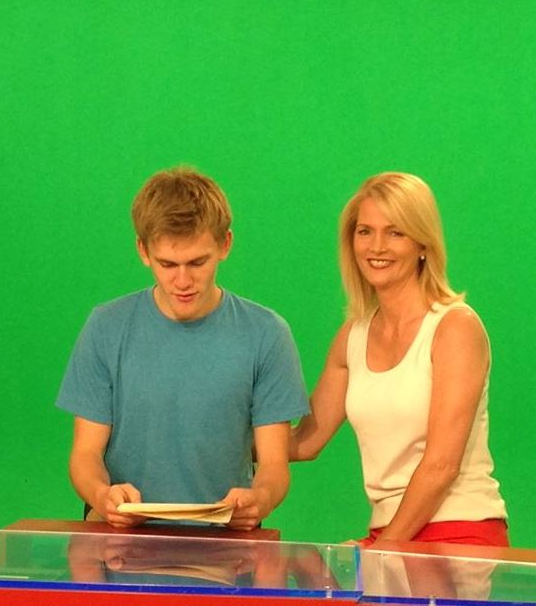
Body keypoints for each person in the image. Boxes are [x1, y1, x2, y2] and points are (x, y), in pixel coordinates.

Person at [56, 167, 309, 530]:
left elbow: (273, 465)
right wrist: (102, 496)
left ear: (225, 245)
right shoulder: (106, 327)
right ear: (143, 251)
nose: (183, 281)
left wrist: (260, 500)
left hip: (224, 549)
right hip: (121, 546)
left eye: (197, 262)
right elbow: (84, 454)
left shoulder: (267, 334)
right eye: (167, 264)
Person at [290, 172, 508, 546]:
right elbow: (304, 443)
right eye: (365, 231)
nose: (377, 246)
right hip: (391, 534)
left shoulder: (455, 329)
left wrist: (382, 551)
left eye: (395, 232)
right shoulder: (352, 336)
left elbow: (441, 466)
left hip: (459, 531)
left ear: (423, 243)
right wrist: (215, 437)